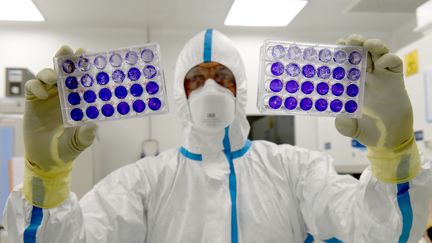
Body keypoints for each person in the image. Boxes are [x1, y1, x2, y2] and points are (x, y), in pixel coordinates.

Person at [3, 29, 432, 243]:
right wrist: (49, 184)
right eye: (197, 79)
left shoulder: (294, 168)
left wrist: (392, 155)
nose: (210, 89)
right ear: (179, 92)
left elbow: (378, 230)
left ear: (240, 88)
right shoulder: (143, 180)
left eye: (222, 77)